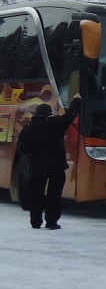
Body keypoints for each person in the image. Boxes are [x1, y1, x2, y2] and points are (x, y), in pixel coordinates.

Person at [16, 96, 80, 230]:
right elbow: (69, 116)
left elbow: (22, 150)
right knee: (54, 196)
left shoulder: (27, 130)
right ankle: (51, 222)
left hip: (36, 168)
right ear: (49, 113)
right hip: (56, 167)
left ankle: (35, 222)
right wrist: (76, 101)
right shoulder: (56, 124)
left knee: (36, 196)